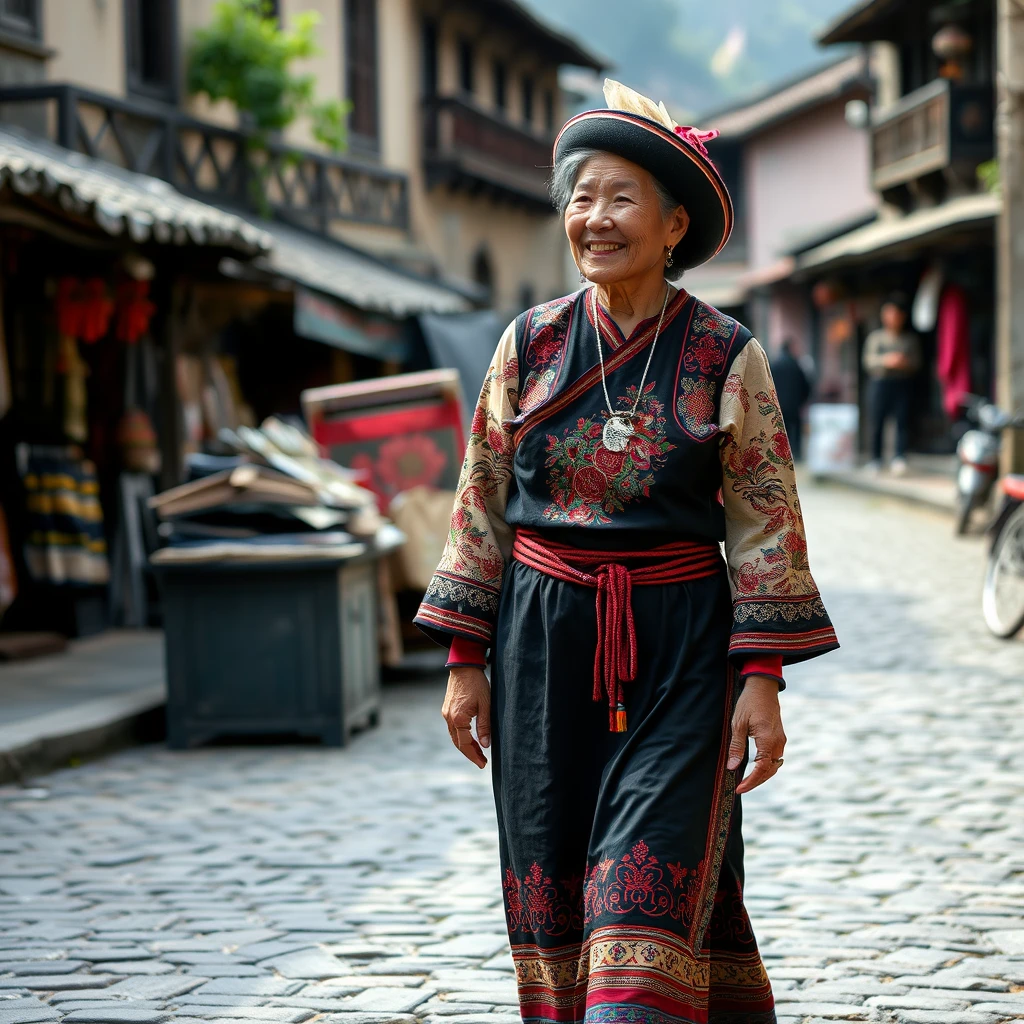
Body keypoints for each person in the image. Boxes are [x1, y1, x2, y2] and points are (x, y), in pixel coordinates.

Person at [415, 79, 838, 1024]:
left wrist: (761, 678)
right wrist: (463, 658)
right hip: (542, 649)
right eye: (581, 197)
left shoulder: (727, 354)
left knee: (642, 913)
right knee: (557, 887)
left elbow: (766, 517)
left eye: (620, 198)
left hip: (682, 652)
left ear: (674, 222)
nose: (594, 218)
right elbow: (479, 498)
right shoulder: (528, 346)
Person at [863, 293, 921, 475]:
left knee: (902, 421)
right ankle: (875, 459)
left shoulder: (909, 339)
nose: (892, 317)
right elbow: (868, 361)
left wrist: (904, 363)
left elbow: (917, 362)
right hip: (880, 383)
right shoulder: (876, 338)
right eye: (888, 313)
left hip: (902, 382)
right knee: (877, 421)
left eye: (896, 314)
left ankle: (899, 457)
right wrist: (886, 361)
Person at [771, 338, 812, 461]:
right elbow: (806, 386)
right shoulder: (796, 365)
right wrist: (802, 401)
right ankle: (797, 454)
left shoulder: (774, 364)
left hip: (779, 405)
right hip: (794, 405)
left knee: (782, 430)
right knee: (796, 431)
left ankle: (783, 456)